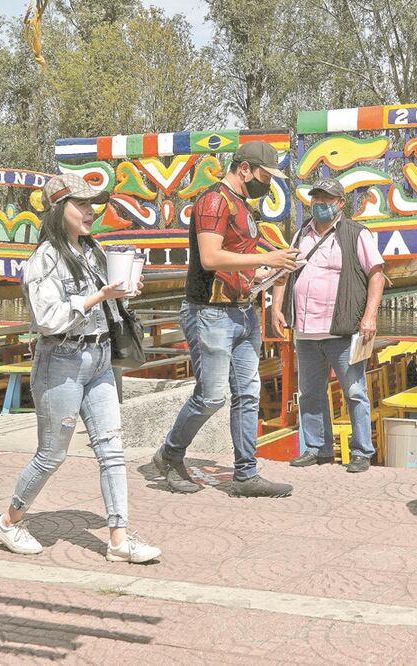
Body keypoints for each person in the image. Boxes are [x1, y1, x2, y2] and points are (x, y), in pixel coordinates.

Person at [0, 174, 160, 563]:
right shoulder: (45, 259)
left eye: (92, 205)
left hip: (100, 359)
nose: (90, 212)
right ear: (58, 210)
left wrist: (121, 294)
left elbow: (105, 304)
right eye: (81, 204)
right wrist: (98, 295)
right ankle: (9, 521)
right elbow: (48, 318)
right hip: (61, 362)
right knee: (52, 455)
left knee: (112, 449)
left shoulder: (93, 250)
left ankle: (118, 540)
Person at [154, 141, 299, 497]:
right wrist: (267, 259)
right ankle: (170, 454)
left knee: (248, 394)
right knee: (211, 396)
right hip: (210, 312)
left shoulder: (241, 205)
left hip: (242, 311)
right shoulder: (213, 201)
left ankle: (246, 473)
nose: (268, 183)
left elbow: (233, 260)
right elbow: (210, 257)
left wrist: (263, 273)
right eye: (265, 175)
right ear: (245, 169)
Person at [271, 178, 385, 473]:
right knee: (309, 392)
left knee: (354, 392)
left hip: (342, 330)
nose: (319, 204)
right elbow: (284, 272)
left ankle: (361, 451)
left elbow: (376, 275)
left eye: (326, 199)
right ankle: (316, 448)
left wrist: (370, 316)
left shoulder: (356, 234)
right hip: (306, 332)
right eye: (316, 199)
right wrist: (276, 308)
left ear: (340, 203)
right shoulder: (301, 234)